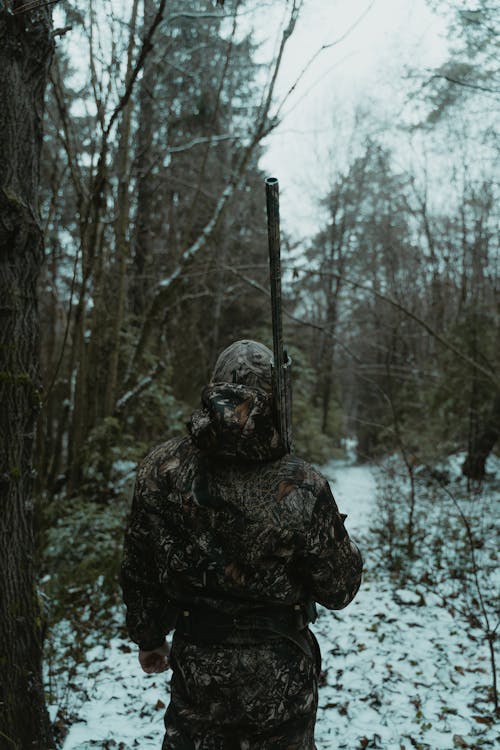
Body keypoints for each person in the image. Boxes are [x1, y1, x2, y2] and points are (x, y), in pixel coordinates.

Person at [121, 339, 362, 750]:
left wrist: (148, 636)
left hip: (199, 666)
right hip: (282, 671)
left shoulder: (161, 468)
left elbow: (140, 565)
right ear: (274, 397)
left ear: (215, 389)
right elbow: (339, 590)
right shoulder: (301, 482)